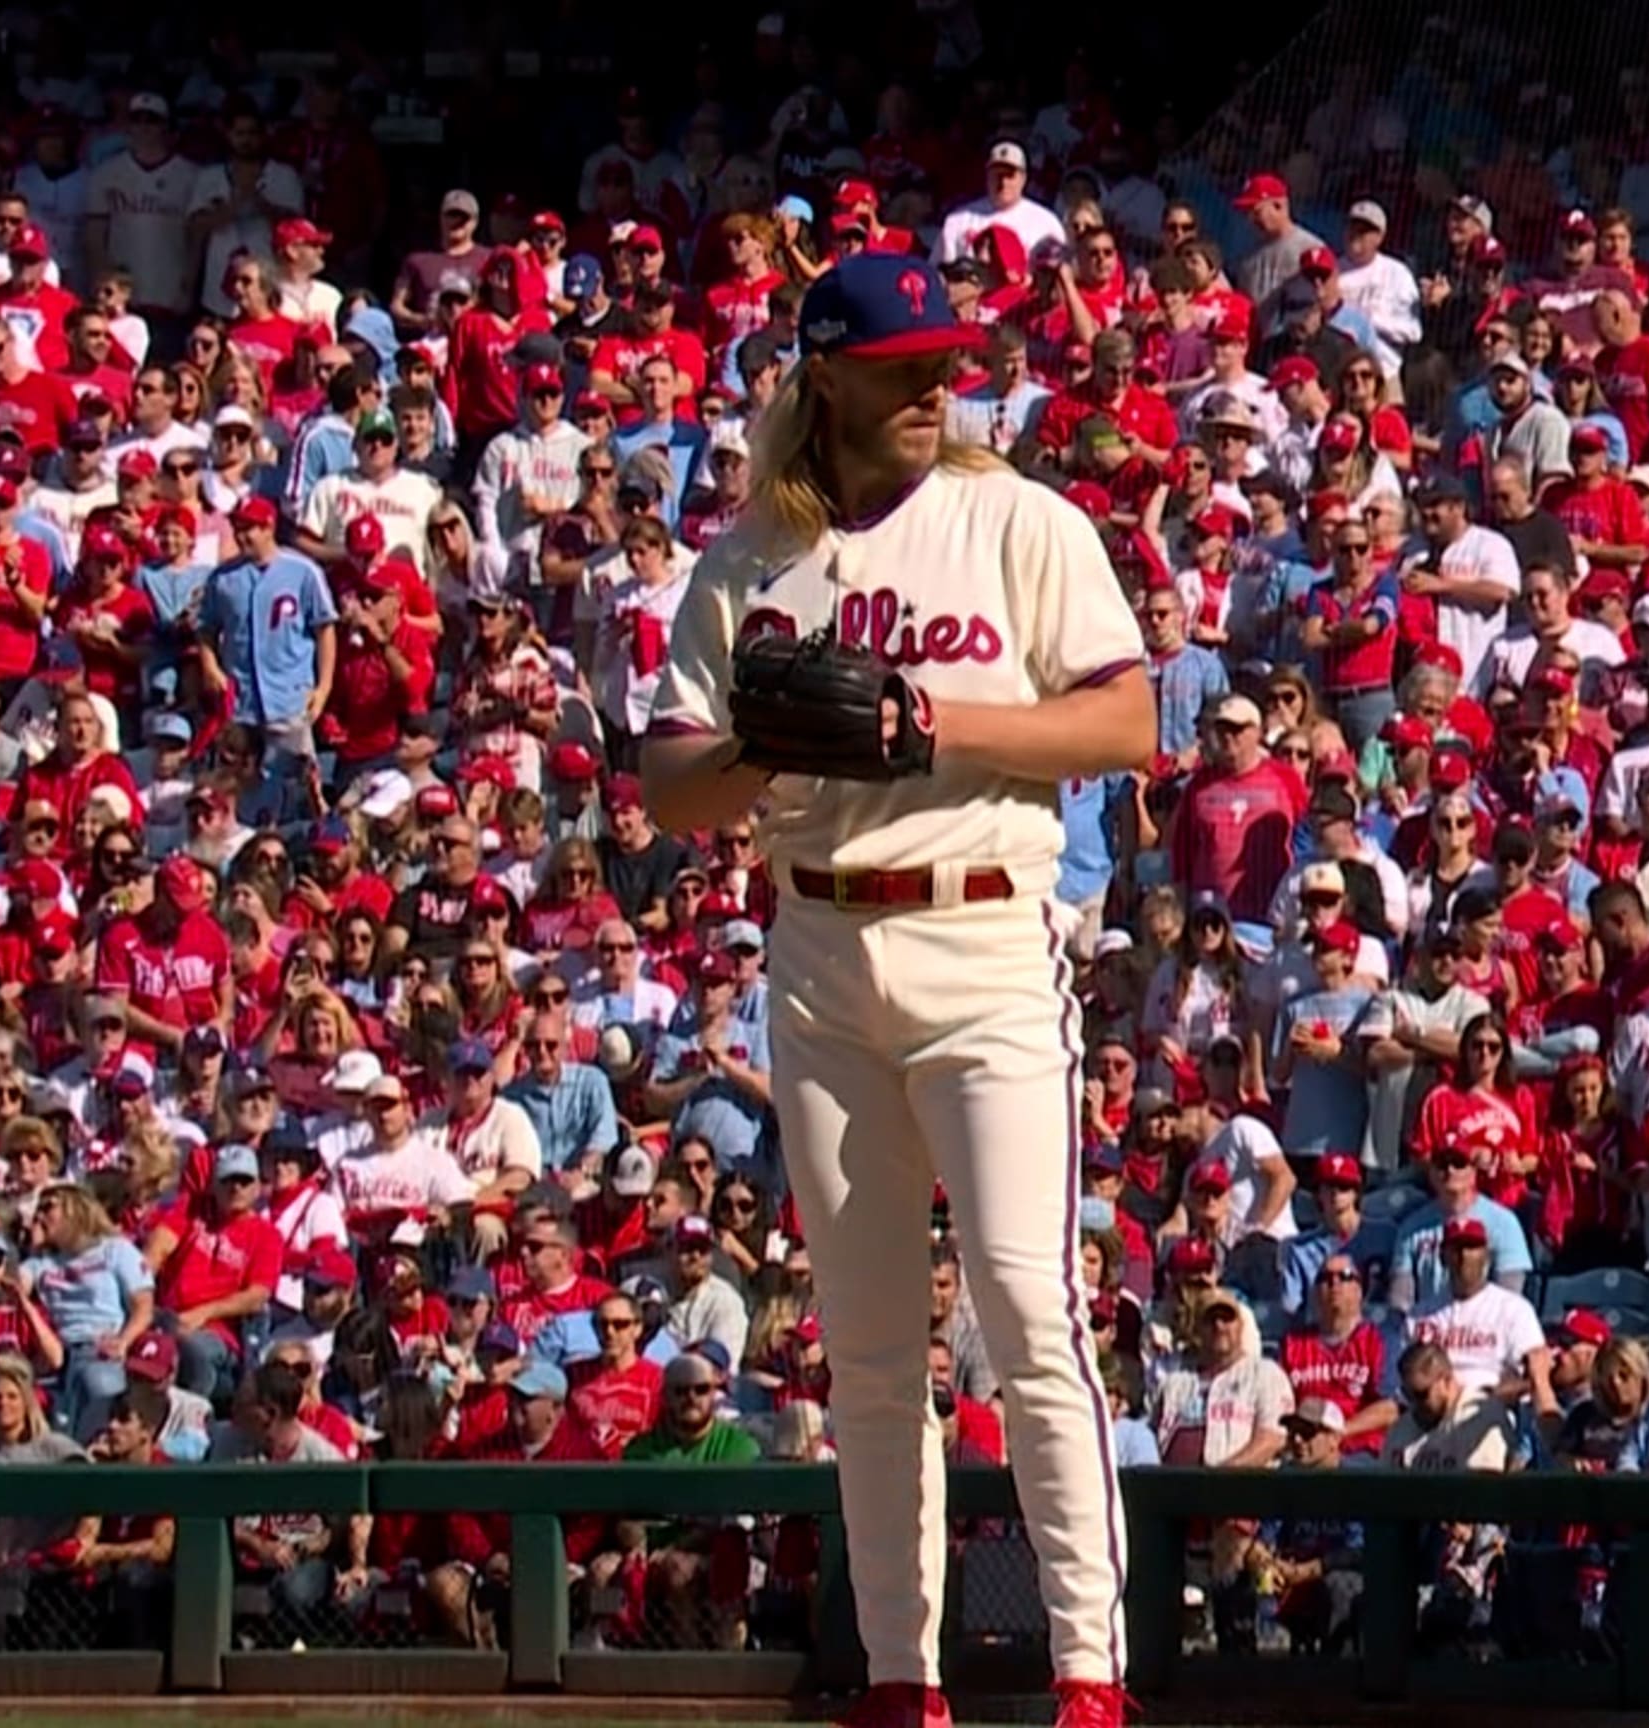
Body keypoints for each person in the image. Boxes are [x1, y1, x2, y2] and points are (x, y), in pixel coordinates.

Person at [640, 255, 1147, 1728]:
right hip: (819, 948)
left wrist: (930, 722)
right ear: (826, 376)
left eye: (946, 364)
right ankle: (898, 1677)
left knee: (1030, 1312)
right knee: (864, 1348)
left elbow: (1123, 722)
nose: (935, 388)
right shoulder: (750, 559)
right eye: (903, 366)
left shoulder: (1018, 520)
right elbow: (671, 787)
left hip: (984, 937)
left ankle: (1088, 1673)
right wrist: (766, 746)